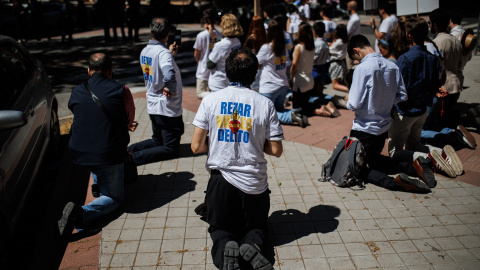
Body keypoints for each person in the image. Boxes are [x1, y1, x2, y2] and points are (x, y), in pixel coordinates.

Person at [191, 47, 283, 270]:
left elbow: (196, 146)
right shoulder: (265, 103)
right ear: (254, 74)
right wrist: (254, 141)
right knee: (258, 226)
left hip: (220, 183)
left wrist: (215, 143)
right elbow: (276, 149)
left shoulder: (211, 100)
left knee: (219, 227)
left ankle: (225, 250)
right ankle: (253, 245)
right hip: (254, 185)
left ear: (227, 71)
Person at [58, 53, 135, 235]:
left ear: (89, 71)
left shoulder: (77, 90)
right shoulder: (121, 90)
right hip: (107, 154)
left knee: (97, 141)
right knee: (115, 198)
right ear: (111, 71)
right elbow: (128, 120)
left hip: (79, 152)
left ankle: (98, 183)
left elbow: (82, 112)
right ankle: (82, 213)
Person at [346, 34, 432, 193]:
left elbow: (354, 103)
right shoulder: (392, 66)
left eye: (355, 58)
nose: (357, 61)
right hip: (383, 128)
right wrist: (384, 99)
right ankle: (414, 167)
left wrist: (348, 98)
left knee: (355, 168)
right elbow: (402, 96)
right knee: (373, 160)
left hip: (364, 129)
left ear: (356, 51)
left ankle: (396, 183)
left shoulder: (362, 68)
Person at [387, 18, 444, 184]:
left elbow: (397, 88)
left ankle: (425, 157)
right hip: (421, 110)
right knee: (413, 144)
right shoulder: (432, 58)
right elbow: (433, 87)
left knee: (394, 151)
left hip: (404, 112)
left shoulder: (404, 59)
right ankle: (437, 152)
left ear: (409, 35)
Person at [128, 17, 184, 166]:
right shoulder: (163, 53)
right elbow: (168, 74)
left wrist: (169, 54)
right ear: (168, 33)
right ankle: (132, 158)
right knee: (170, 148)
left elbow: (157, 69)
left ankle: (129, 150)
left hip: (153, 103)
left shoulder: (145, 51)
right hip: (165, 107)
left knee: (157, 140)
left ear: (151, 32)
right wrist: (170, 88)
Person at [257, 20, 308, 127]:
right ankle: (293, 113)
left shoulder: (267, 48)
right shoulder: (284, 47)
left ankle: (291, 116)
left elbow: (256, 62)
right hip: (282, 86)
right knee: (278, 110)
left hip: (269, 87)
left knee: (265, 115)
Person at [207, 14, 243, 92]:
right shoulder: (237, 41)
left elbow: (209, 64)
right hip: (231, 81)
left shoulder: (220, 46)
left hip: (218, 83)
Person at [194, 9, 223, 99]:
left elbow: (196, 54)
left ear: (203, 20)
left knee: (200, 93)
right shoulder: (219, 35)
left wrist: (200, 63)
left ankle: (214, 96)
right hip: (214, 70)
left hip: (202, 69)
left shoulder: (201, 35)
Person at [244, 15, 266, 92]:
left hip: (252, 67)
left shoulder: (251, 38)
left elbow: (245, 53)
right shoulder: (266, 37)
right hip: (264, 68)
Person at [328, 24, 349, 92]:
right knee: (340, 82)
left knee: (335, 84)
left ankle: (349, 90)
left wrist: (332, 42)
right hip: (341, 63)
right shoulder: (344, 41)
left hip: (336, 64)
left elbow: (329, 50)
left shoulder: (338, 42)